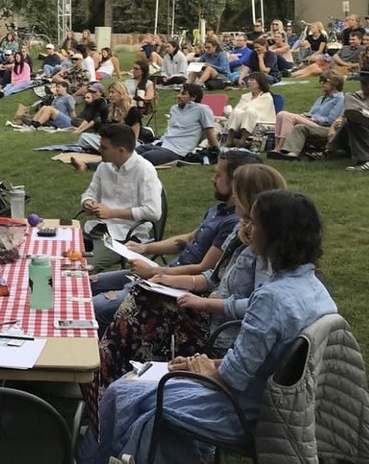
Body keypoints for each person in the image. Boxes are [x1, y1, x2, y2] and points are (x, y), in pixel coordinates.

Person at [78, 188, 336, 464]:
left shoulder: (272, 298)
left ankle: (87, 458)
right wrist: (199, 363)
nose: (248, 227)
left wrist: (203, 368)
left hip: (242, 409)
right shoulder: (316, 290)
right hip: (281, 405)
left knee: (124, 390)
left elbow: (234, 378)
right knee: (134, 392)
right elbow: (259, 361)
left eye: (255, 223)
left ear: (273, 235)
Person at [88, 151, 258, 331]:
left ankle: (91, 353)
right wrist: (144, 248)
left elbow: (204, 269)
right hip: (167, 274)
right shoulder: (219, 210)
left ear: (235, 182)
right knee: (91, 282)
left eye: (218, 174)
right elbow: (189, 238)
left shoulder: (233, 224)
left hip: (177, 286)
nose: (212, 179)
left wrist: (154, 271)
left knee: (97, 307)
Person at [78, 123, 163, 273]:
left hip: (127, 235)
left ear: (121, 151)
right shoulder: (104, 167)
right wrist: (88, 202)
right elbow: (90, 193)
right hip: (99, 227)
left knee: (82, 267)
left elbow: (153, 212)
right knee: (61, 251)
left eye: (104, 148)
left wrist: (113, 213)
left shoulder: (144, 170)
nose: (99, 150)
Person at [135, 82, 218, 166]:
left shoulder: (202, 110)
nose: (179, 96)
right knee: (134, 152)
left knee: (145, 158)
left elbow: (209, 131)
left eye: (183, 94)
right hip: (161, 143)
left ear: (193, 97)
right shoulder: (174, 109)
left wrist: (216, 150)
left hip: (177, 150)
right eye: (179, 93)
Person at [268, 71, 344, 158]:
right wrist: (306, 116)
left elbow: (331, 120)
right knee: (281, 114)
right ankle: (277, 147)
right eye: (321, 80)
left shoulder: (340, 99)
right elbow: (312, 113)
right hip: (312, 122)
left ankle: (281, 148)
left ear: (335, 82)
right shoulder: (321, 98)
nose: (322, 83)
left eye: (325, 81)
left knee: (287, 116)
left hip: (324, 127)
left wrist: (315, 119)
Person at [331, 68, 369, 171]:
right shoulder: (358, 94)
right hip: (363, 125)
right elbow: (344, 114)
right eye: (361, 82)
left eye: (366, 83)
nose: (363, 86)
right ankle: (365, 162)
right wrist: (334, 126)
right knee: (350, 102)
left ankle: (363, 113)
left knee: (357, 116)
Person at [78, 81, 141, 153]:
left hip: (125, 142)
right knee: (84, 137)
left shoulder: (132, 110)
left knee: (134, 147)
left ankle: (108, 151)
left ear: (121, 93)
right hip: (110, 141)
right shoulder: (107, 110)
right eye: (110, 92)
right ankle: (110, 151)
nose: (110, 95)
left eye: (113, 92)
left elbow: (135, 136)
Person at [225, 72, 276, 148]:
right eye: (248, 79)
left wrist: (243, 111)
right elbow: (237, 110)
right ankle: (230, 139)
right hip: (240, 123)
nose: (248, 82)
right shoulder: (245, 96)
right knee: (236, 111)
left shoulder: (267, 97)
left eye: (252, 80)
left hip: (260, 123)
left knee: (250, 111)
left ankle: (243, 139)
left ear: (259, 82)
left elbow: (259, 112)